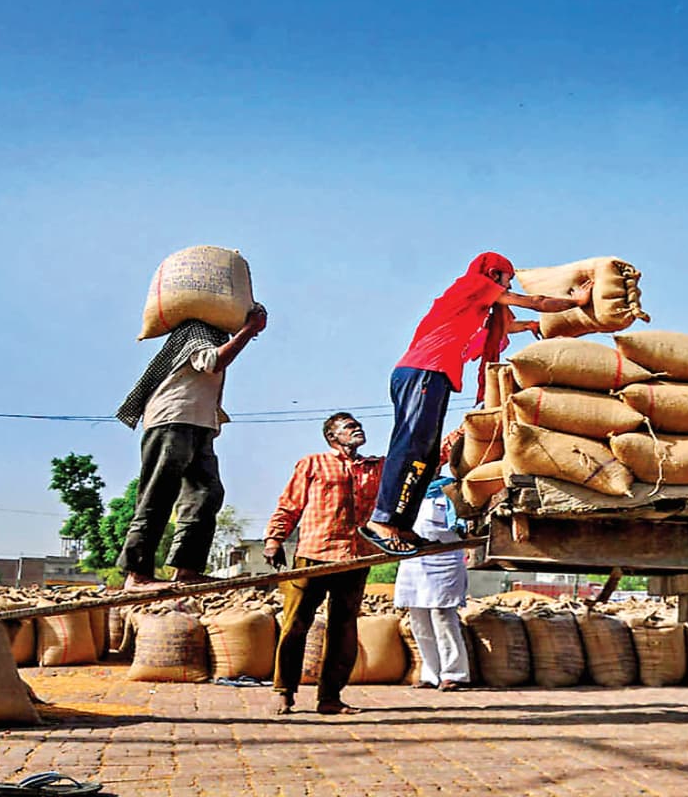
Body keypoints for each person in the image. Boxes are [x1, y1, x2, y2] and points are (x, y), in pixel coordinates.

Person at [362, 251, 592, 556]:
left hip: (434, 376)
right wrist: (576, 301)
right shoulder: (475, 284)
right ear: (495, 274)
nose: (508, 286)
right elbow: (535, 301)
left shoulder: (479, 304)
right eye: (508, 279)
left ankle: (403, 525)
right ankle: (381, 521)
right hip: (423, 371)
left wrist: (528, 326)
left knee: (428, 456)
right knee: (411, 445)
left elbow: (503, 326)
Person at [115, 304, 267, 591]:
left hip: (199, 425)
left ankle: (187, 569)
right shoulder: (195, 329)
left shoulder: (217, 334)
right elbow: (212, 362)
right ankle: (136, 574)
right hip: (173, 418)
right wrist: (248, 331)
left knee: (207, 494)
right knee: (158, 494)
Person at [262, 411, 384, 715]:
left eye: (359, 425)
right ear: (333, 437)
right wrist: (274, 539)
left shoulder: (375, 467)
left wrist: (460, 432)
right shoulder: (313, 463)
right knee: (295, 625)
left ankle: (330, 697)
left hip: (355, 556)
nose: (358, 429)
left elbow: (417, 461)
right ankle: (284, 691)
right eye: (349, 427)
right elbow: (290, 504)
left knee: (344, 629)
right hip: (313, 555)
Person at [394, 475, 471, 691]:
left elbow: (465, 524)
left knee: (442, 615)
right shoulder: (407, 491)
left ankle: (454, 673)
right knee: (418, 618)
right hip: (414, 561)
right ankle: (430, 674)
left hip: (445, 558)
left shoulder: (452, 489)